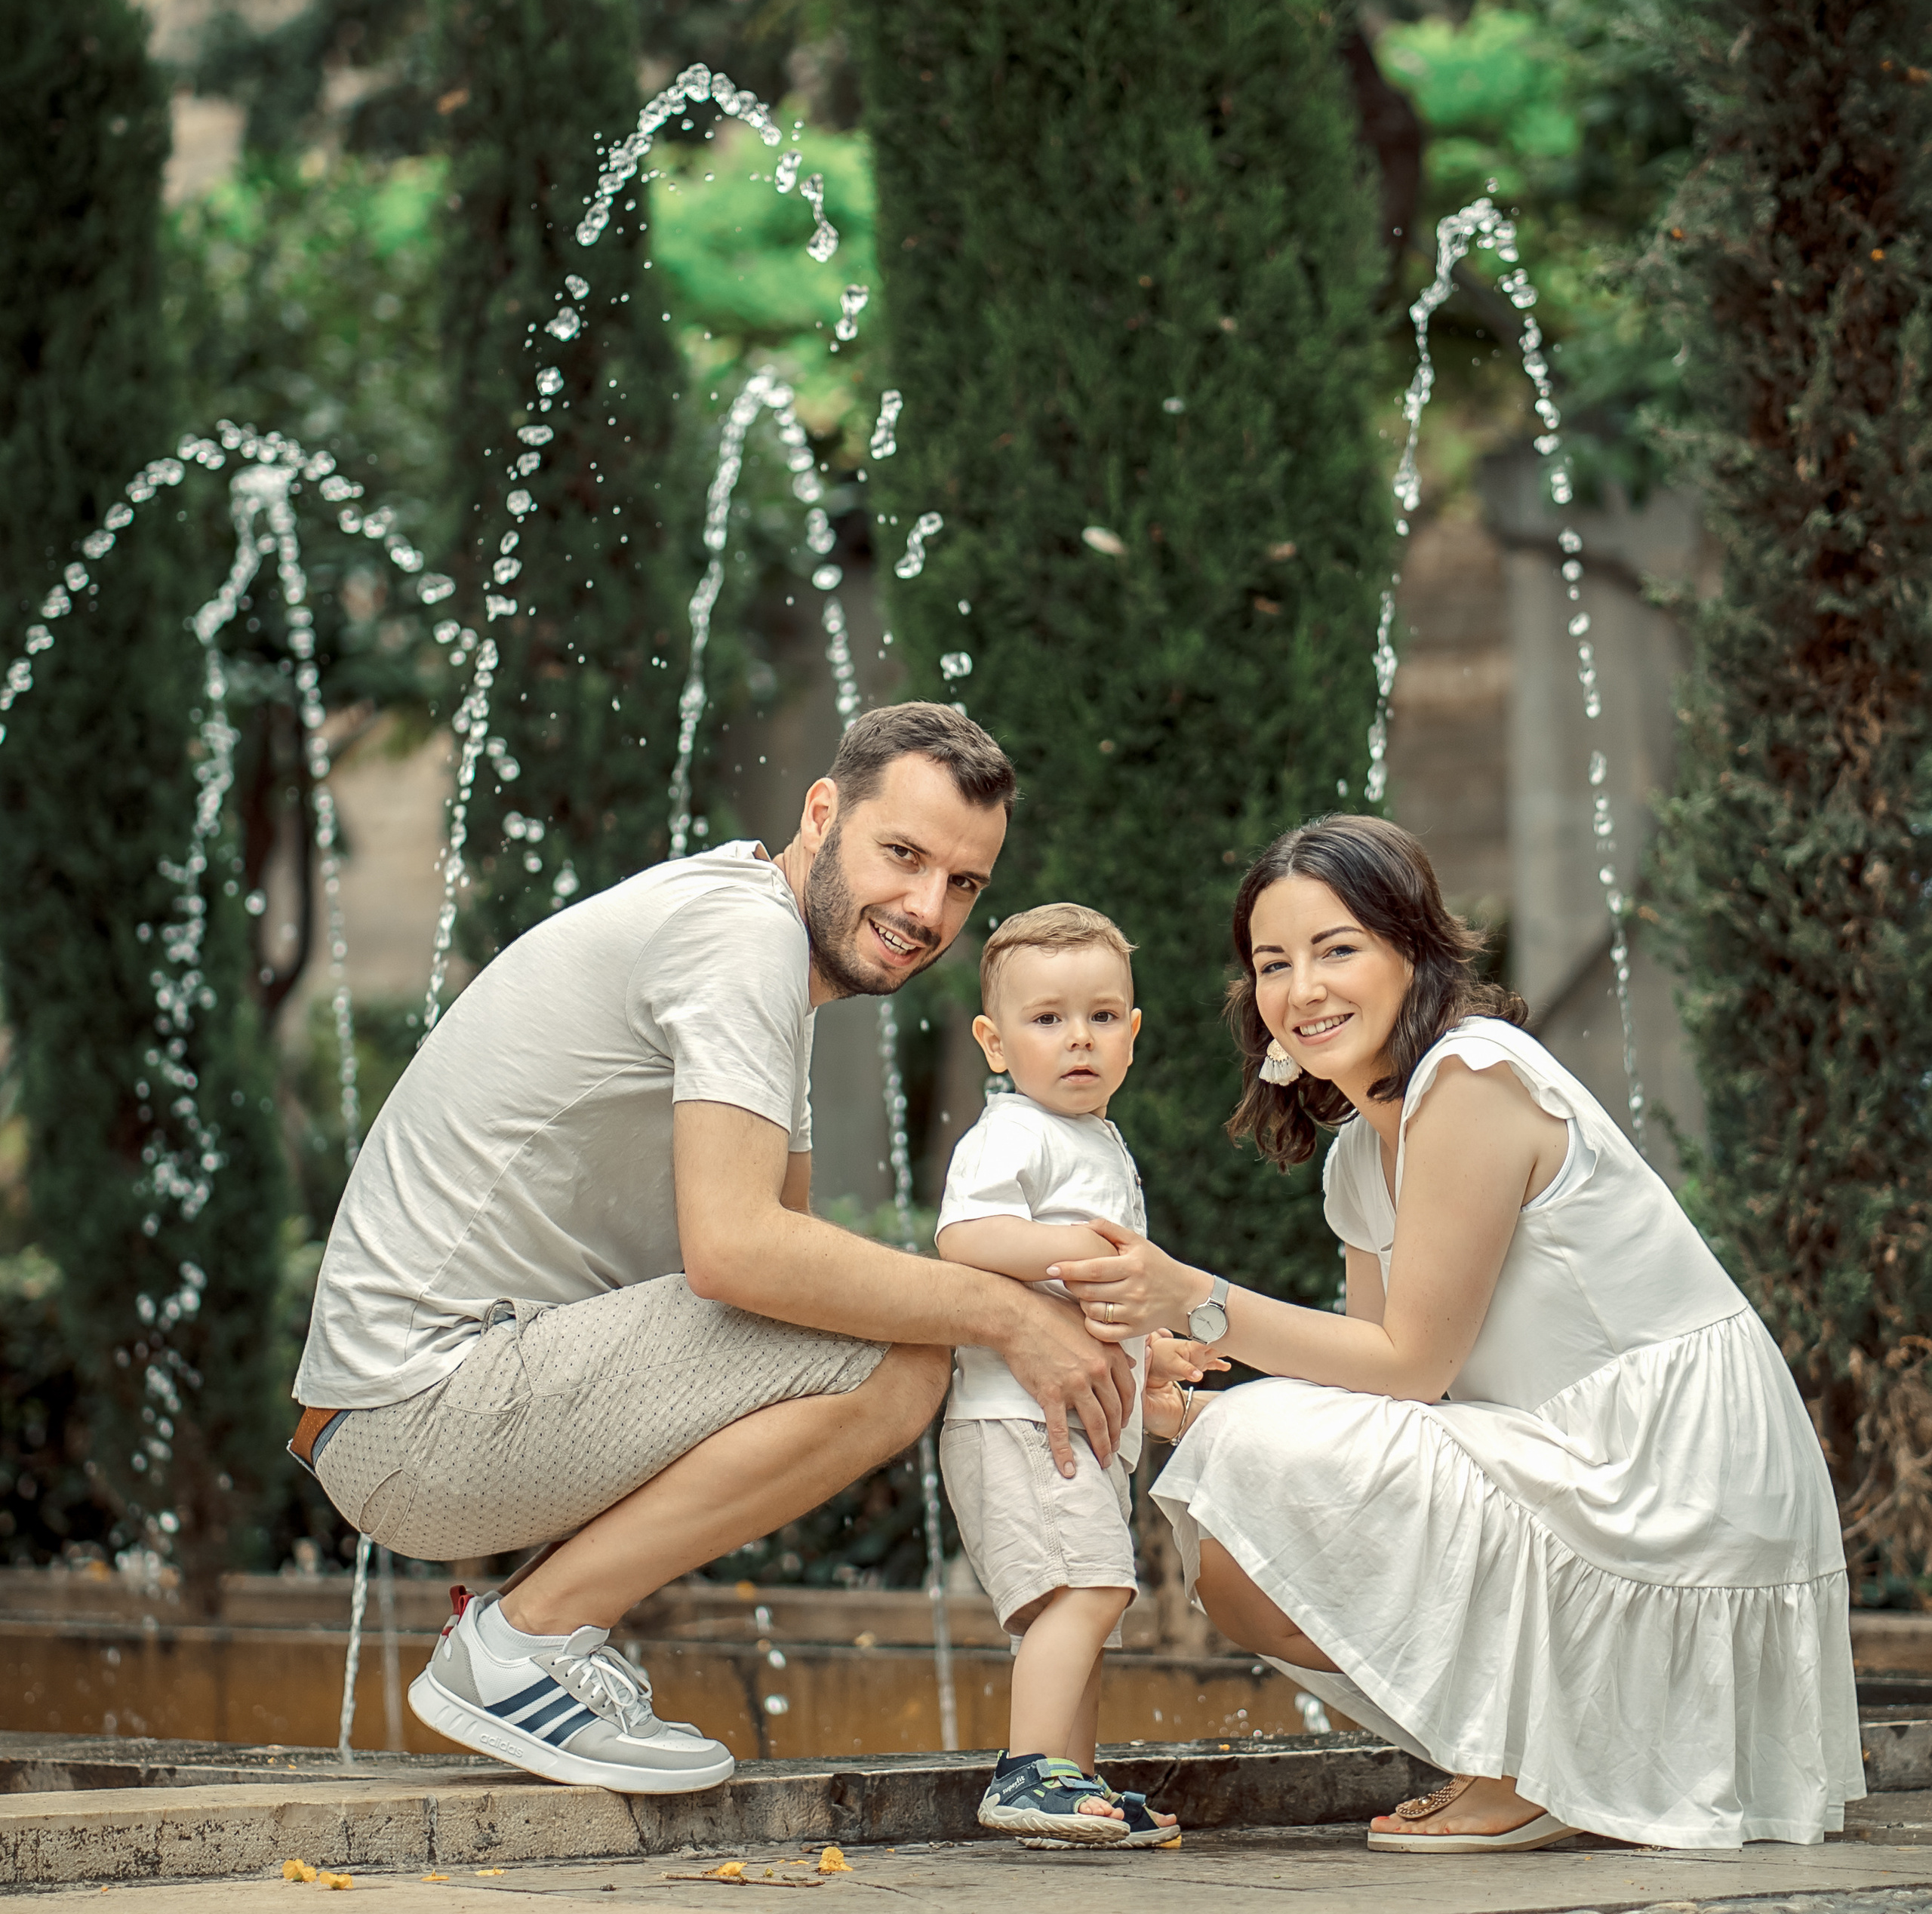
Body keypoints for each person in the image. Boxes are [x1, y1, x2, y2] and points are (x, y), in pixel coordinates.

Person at [288, 703, 1137, 1795]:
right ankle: (524, 1645)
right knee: (896, 1362)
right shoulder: (743, 943)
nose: (927, 909)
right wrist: (1011, 1314)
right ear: (822, 812)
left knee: (886, 1335)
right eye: (903, 855)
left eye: (963, 883)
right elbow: (739, 1257)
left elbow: (791, 1266)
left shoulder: (763, 954)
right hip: (417, 1411)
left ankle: (531, 1638)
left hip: (430, 1405)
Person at [1052, 814, 1863, 1854]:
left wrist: (1193, 1296)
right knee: (1233, 1546)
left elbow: (1417, 1362)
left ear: (1413, 951)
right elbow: (1386, 1397)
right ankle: (1525, 1748)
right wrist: (1190, 1402)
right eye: (1274, 963)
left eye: (1338, 948)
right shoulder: (1359, 1160)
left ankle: (1528, 1762)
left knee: (1253, 1455)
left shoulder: (1472, 1077)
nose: (1305, 991)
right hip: (1558, 1449)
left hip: (1670, 1462)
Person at [934, 904, 1217, 1848]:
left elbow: (1089, 1310)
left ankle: (1075, 1782)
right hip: (1016, 1419)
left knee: (1080, 1608)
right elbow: (965, 1238)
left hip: (1067, 1426)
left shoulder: (1094, 1139)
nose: (1078, 1039)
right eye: (1047, 1019)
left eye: (1101, 1016)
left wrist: (1155, 1351)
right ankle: (1029, 1772)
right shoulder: (1013, 1132)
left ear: (1133, 1032)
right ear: (995, 1041)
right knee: (1088, 1593)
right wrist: (1088, 1249)